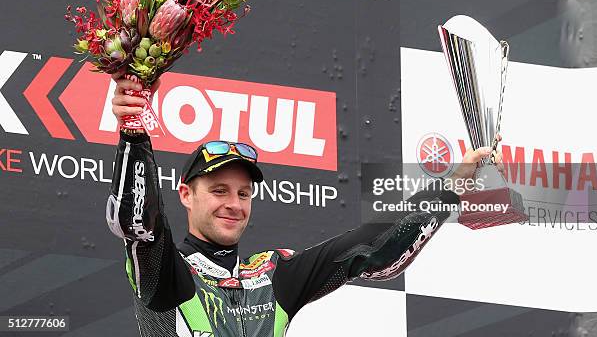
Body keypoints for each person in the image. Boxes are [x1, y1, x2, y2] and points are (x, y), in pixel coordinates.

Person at [106, 74, 502, 337]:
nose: (233, 204)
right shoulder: (166, 272)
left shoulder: (273, 276)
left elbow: (371, 246)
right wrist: (134, 131)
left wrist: (453, 186)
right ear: (186, 194)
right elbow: (140, 223)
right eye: (219, 190)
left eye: (243, 194)